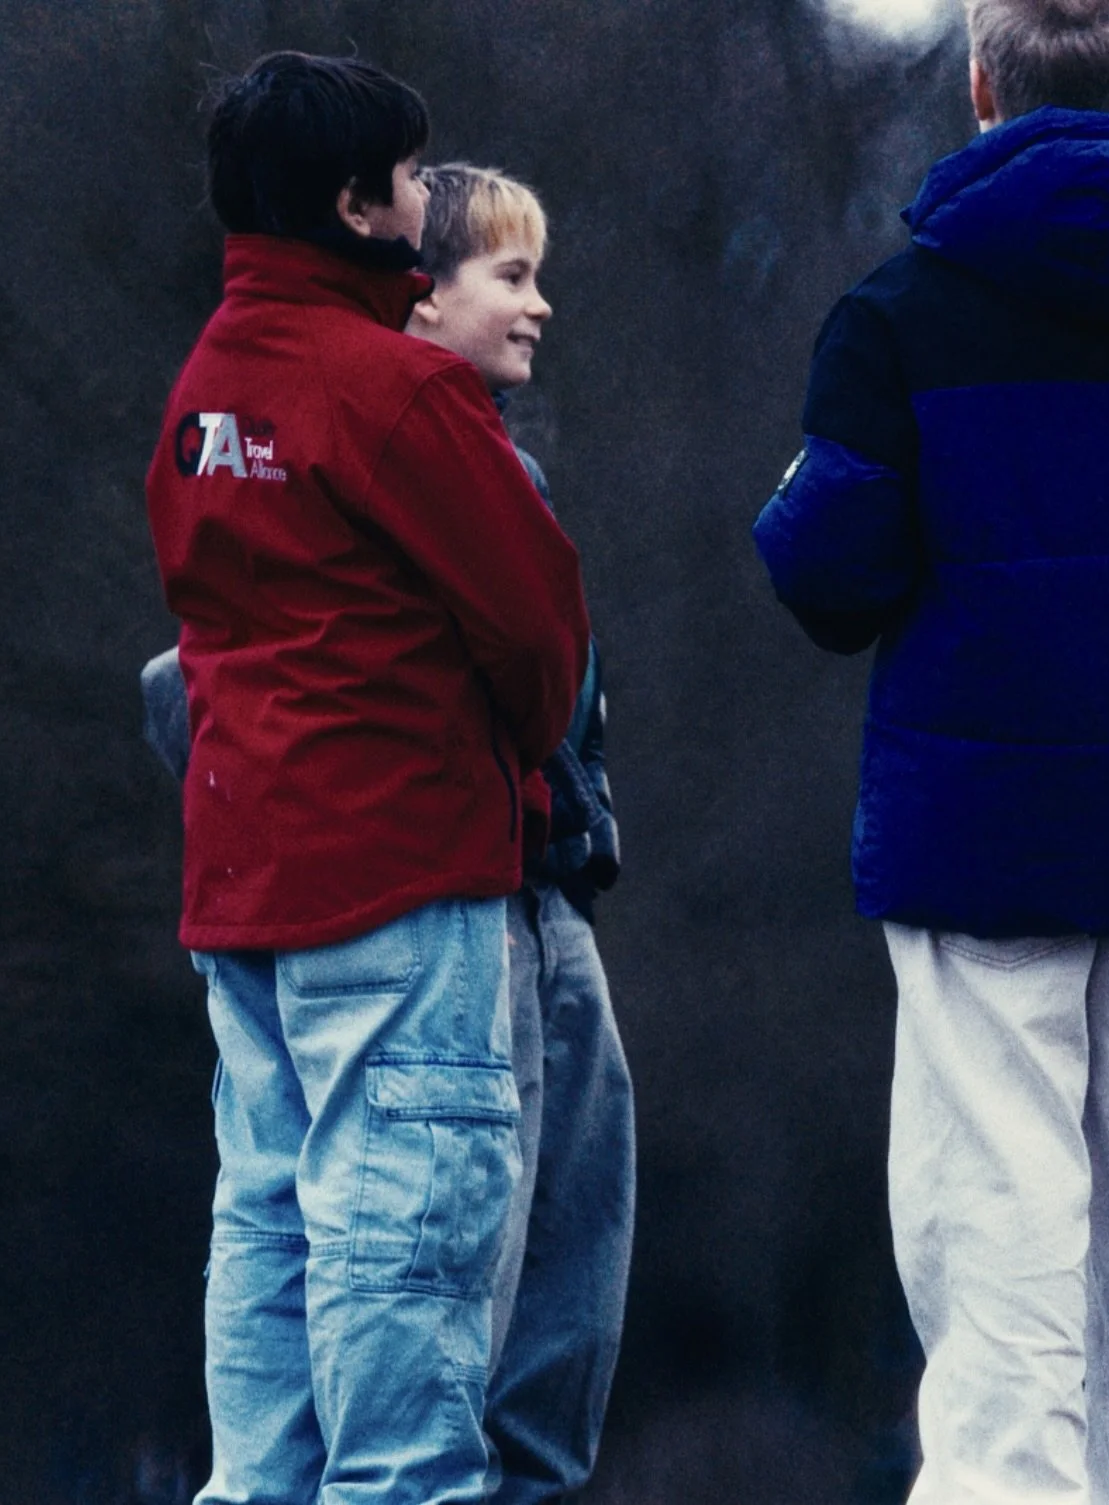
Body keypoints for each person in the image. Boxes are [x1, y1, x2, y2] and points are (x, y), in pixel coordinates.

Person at [750, 0, 1109, 1499]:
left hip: (976, 857)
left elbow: (827, 580)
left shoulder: (897, 320)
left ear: (981, 82)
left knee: (1002, 1286)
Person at [142, 51, 589, 1505]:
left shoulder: (205, 394)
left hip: (244, 886)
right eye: (403, 179)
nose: (416, 202)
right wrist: (513, 753)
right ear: (353, 206)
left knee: (270, 1230)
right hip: (398, 882)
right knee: (405, 1247)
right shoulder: (397, 394)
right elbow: (538, 632)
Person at [408, 164, 636, 1504]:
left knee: (579, 1260)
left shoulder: (516, 470)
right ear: (423, 296)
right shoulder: (389, 468)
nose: (540, 304)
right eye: (511, 275)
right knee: (485, 1276)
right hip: (479, 906)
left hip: (555, 899)